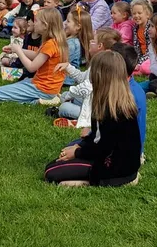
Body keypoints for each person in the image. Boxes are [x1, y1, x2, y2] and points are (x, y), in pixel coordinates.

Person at [44, 51, 141, 187]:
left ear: (100, 76)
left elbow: (103, 148)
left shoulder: (116, 110)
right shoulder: (104, 100)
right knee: (54, 164)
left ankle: (91, 181)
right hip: (109, 159)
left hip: (115, 168)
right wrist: (80, 146)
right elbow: (97, 136)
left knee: (51, 172)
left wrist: (77, 152)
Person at [0, 8, 68, 104]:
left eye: (36, 21)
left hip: (44, 89)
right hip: (47, 86)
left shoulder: (50, 44)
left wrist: (18, 51)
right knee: (22, 82)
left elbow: (31, 67)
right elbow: (37, 55)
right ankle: (48, 98)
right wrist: (16, 49)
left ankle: (41, 101)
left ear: (45, 26)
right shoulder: (54, 41)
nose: (34, 23)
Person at [131, 0, 153, 75]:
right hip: (141, 57)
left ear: (148, 15)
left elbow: (151, 51)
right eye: (134, 13)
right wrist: (135, 61)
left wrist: (140, 63)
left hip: (151, 57)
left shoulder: (150, 28)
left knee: (145, 67)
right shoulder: (135, 28)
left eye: (139, 13)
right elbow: (137, 48)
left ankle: (139, 70)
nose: (136, 16)